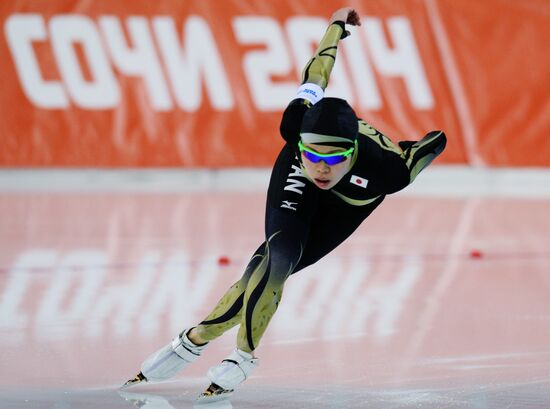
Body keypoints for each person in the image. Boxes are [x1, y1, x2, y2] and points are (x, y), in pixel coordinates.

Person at [123, 7, 446, 399]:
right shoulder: (295, 125)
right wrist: (336, 26)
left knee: (259, 276)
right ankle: (240, 357)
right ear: (301, 143)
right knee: (277, 259)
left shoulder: (388, 171)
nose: (321, 168)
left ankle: (196, 339)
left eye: (333, 158)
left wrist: (426, 144)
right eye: (314, 153)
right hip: (294, 182)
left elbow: (430, 147)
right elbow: (318, 72)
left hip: (350, 203)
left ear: (354, 152)